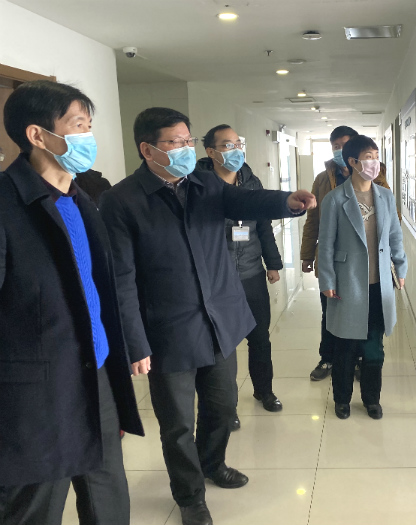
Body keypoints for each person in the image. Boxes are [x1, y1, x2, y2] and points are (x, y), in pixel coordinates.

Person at [98, 107, 315, 525]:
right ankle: (189, 495)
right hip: (167, 330)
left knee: (222, 406)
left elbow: (244, 199)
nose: (185, 148)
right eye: (174, 142)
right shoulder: (121, 201)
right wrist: (134, 342)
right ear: (147, 149)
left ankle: (212, 463)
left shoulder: (205, 184)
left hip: (218, 321)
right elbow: (120, 279)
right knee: (178, 423)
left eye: (187, 140)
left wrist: (286, 202)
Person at [0, 80, 143, 525]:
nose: (88, 136)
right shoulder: (6, 204)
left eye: (89, 125)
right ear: (37, 135)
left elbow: (101, 288)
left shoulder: (82, 200)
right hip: (35, 397)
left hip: (95, 375)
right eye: (78, 125)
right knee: (34, 509)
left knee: (109, 501)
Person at [317, 135, 407, 420]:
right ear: (353, 162)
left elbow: (395, 237)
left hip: (379, 284)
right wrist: (327, 281)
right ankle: (342, 399)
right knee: (345, 347)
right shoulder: (335, 199)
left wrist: (400, 268)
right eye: (368, 157)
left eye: (376, 156)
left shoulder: (385, 196)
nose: (374, 163)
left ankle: (371, 399)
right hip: (347, 283)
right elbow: (326, 244)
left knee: (373, 348)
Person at [197, 124, 283, 415]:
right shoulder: (198, 186)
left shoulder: (251, 182)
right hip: (216, 277)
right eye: (227, 145)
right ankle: (226, 405)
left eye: (238, 144)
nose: (236, 150)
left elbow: (263, 225)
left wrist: (273, 263)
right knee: (223, 344)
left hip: (251, 272)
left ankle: (264, 391)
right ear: (211, 152)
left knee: (259, 337)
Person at [301, 126, 397, 382]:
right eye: (335, 146)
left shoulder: (378, 179)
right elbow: (313, 220)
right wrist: (307, 254)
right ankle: (328, 358)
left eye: (344, 144)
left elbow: (391, 222)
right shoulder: (323, 180)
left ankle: (361, 361)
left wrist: (395, 262)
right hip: (336, 263)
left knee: (368, 316)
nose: (339, 150)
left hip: (368, 264)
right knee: (332, 314)